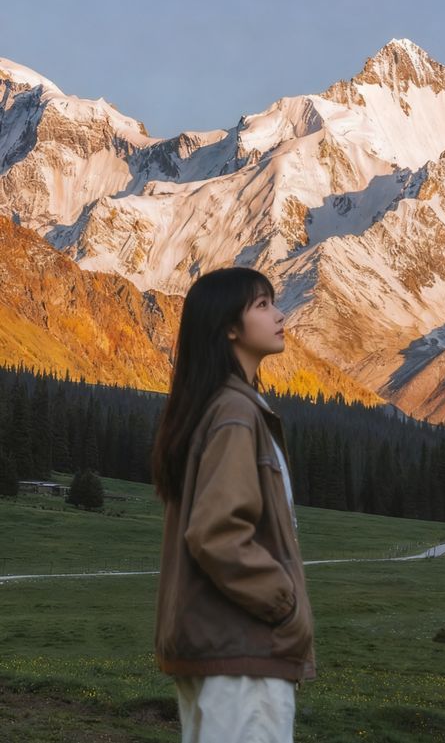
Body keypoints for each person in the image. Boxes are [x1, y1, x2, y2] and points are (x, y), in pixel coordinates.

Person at [151, 266, 316, 743]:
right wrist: (285, 605)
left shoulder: (213, 406)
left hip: (217, 649)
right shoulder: (236, 411)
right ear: (229, 327)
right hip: (242, 651)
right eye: (262, 305)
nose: (280, 314)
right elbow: (217, 532)